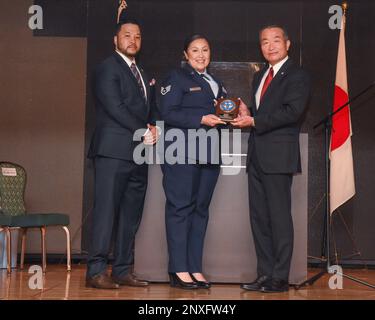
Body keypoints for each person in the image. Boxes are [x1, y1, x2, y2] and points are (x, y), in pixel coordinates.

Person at [232, 25, 310, 293]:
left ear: (288, 44)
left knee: (278, 219)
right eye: (264, 42)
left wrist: (254, 119)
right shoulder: (260, 76)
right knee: (260, 220)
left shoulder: (297, 75)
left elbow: (292, 112)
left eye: (276, 40)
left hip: (278, 157)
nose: (270, 46)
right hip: (256, 157)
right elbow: (266, 111)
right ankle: (264, 274)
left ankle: (280, 277)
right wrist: (248, 111)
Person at [86, 17, 159, 289]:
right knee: (106, 212)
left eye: (138, 36)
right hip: (113, 151)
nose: (133, 40)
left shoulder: (141, 71)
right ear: (115, 39)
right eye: (127, 35)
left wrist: (152, 127)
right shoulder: (107, 67)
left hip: (138, 152)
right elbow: (115, 107)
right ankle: (95, 271)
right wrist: (144, 130)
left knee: (131, 214)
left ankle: (123, 269)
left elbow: (146, 109)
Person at [160, 34, 227, 289]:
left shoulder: (215, 82)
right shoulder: (175, 78)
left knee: (200, 212)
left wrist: (240, 111)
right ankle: (178, 269)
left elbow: (224, 110)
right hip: (182, 153)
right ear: (186, 54)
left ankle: (194, 267)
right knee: (180, 210)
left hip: (209, 154)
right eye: (195, 50)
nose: (201, 55)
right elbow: (168, 112)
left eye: (205, 50)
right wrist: (200, 119)